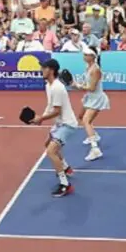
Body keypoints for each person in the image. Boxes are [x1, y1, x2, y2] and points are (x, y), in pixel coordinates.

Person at [30, 59, 79, 197]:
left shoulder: (57, 87)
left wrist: (42, 118)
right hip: (59, 123)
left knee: (51, 151)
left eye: (43, 68)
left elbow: (57, 111)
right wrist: (41, 117)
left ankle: (65, 185)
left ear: (51, 70)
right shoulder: (48, 85)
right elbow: (50, 106)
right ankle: (65, 167)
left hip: (67, 124)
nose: (41, 70)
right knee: (48, 144)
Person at [73, 47, 110, 161]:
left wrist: (79, 87)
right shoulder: (87, 67)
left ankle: (95, 150)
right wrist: (79, 83)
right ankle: (94, 135)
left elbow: (92, 88)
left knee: (86, 121)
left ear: (93, 57)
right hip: (89, 97)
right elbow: (87, 82)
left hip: (97, 98)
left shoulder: (95, 70)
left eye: (86, 54)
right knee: (80, 117)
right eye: (84, 54)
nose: (84, 56)